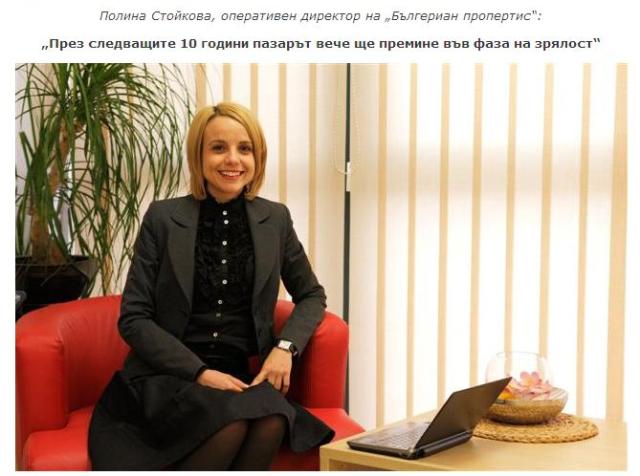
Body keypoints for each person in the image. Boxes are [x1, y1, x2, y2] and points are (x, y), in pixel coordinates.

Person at [88, 102, 334, 470]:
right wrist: (200, 373)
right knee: (229, 425)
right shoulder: (163, 218)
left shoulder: (275, 219)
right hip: (170, 377)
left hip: (240, 378)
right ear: (198, 156)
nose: (233, 159)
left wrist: (285, 347)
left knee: (271, 420)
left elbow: (312, 295)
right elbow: (134, 318)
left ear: (258, 158)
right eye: (218, 148)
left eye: (244, 148)